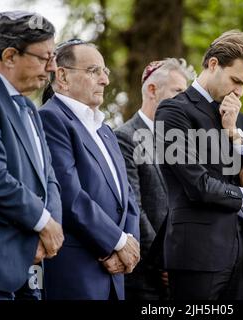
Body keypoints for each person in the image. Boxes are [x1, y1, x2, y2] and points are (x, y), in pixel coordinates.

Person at [154, 30, 243, 300]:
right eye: (236, 80)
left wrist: (234, 133)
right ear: (213, 64)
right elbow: (198, 185)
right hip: (197, 255)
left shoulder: (240, 121)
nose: (239, 91)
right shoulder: (173, 111)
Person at [39, 39, 140, 300]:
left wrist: (130, 244)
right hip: (78, 271)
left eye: (105, 71)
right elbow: (69, 195)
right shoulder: (51, 119)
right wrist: (117, 242)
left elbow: (127, 198)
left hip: (115, 274)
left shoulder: (105, 130)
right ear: (63, 76)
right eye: (94, 71)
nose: (105, 80)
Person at [0, 11, 64, 300]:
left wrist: (50, 230)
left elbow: (48, 178)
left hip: (32, 267)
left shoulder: (30, 108)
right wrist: (43, 222)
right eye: (44, 58)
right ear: (9, 56)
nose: (52, 67)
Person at [115, 58, 195, 300]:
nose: (185, 101)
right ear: (152, 90)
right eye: (178, 92)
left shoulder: (184, 142)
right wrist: (164, 261)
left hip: (184, 270)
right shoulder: (125, 137)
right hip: (145, 277)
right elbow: (134, 208)